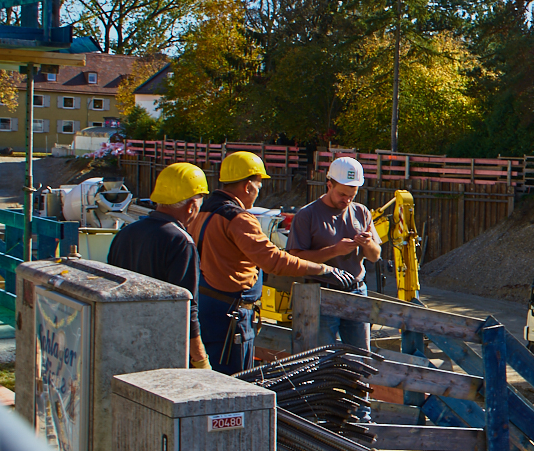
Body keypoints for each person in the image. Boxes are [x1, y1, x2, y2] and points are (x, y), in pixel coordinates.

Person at [196, 151, 356, 374]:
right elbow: (274, 261)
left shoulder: (204, 211)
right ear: (248, 186)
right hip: (230, 316)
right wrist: (323, 269)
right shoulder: (238, 218)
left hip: (207, 306)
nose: (259, 190)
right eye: (259, 184)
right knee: (234, 381)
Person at [107, 162, 211, 370]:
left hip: (121, 344)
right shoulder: (181, 242)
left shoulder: (125, 233)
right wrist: (200, 360)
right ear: (191, 206)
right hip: (161, 351)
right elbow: (186, 309)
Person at [287, 156, 383, 355]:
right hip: (321, 292)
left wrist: (368, 244)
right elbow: (295, 259)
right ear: (329, 185)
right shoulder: (307, 215)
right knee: (324, 357)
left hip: (356, 291)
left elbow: (375, 256)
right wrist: (334, 251)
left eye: (352, 195)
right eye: (342, 194)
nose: (346, 200)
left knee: (360, 357)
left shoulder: (362, 212)